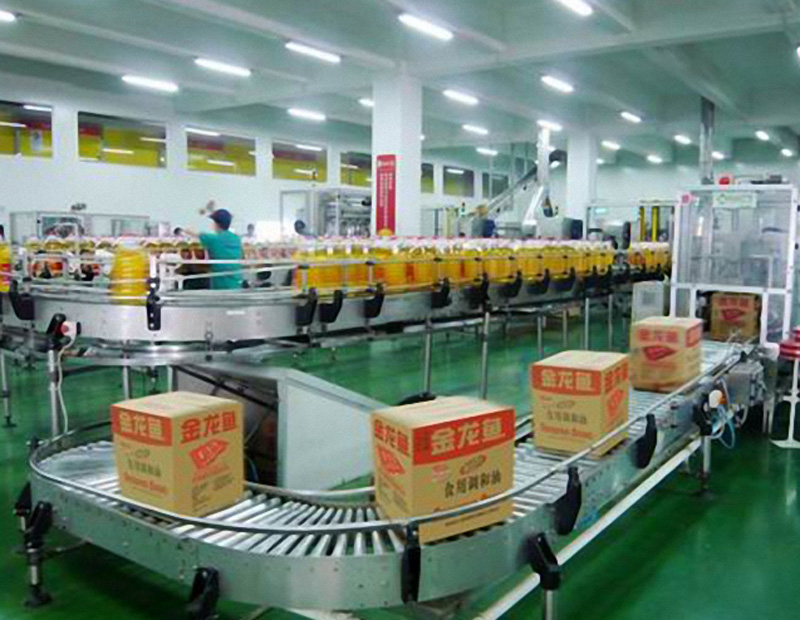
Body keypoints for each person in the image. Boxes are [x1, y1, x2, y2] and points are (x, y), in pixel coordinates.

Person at [196, 209, 243, 290]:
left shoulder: (213, 239)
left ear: (216, 224)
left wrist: (185, 230)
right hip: (236, 280)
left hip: (220, 281)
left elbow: (198, 235)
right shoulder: (237, 238)